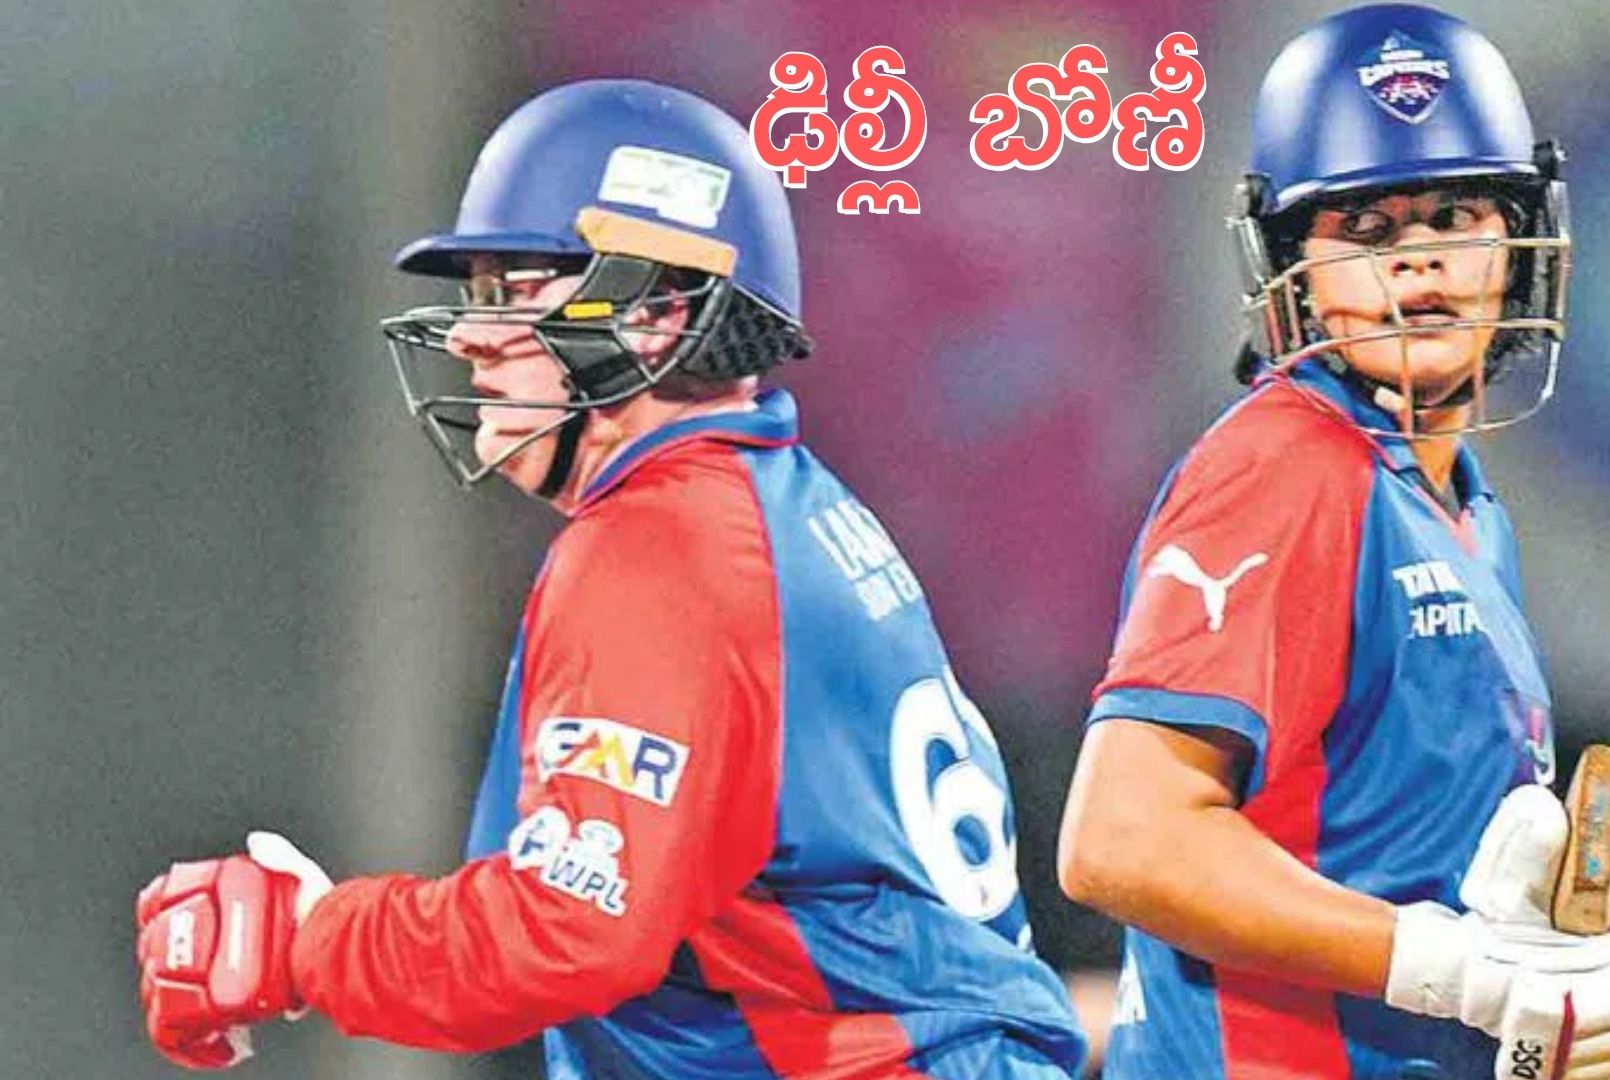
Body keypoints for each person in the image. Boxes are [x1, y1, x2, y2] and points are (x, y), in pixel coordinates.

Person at [133, 79, 1086, 1079]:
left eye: (515, 290)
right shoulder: (777, 506)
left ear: (656, 314)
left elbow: (570, 928)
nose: (468, 336)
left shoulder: (661, 545)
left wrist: (311, 939)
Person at [1055, 6, 1610, 1079]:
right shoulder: (1286, 466)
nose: (1418, 263)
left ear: (1519, 245)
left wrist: (1559, 971)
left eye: (1455, 215)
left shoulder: (1462, 511)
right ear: (1295, 271)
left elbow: (1389, 877)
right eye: (1365, 229)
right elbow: (1122, 838)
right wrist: (1464, 971)